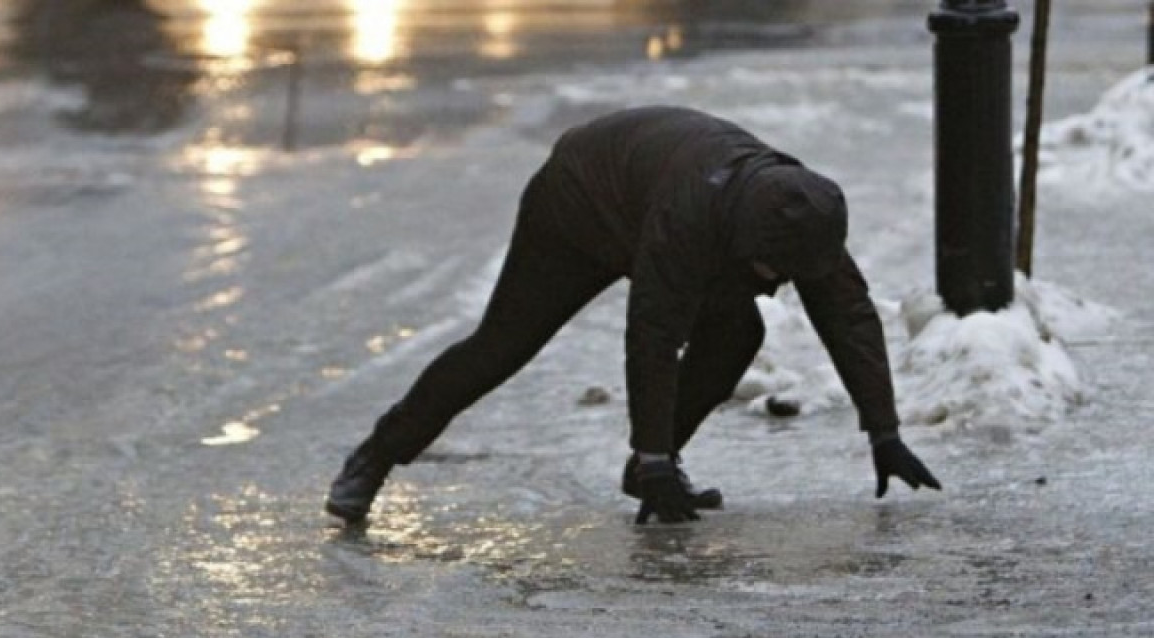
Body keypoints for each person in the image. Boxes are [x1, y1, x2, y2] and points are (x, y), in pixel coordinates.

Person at [325, 105, 940, 525]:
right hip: (577, 205)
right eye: (769, 273)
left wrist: (883, 431)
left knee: (738, 332)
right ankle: (376, 456)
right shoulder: (691, 220)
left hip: (650, 187)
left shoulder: (804, 217)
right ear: (745, 241)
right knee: (502, 346)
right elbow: (653, 335)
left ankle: (651, 464)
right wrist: (653, 457)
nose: (778, 285)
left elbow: (848, 316)